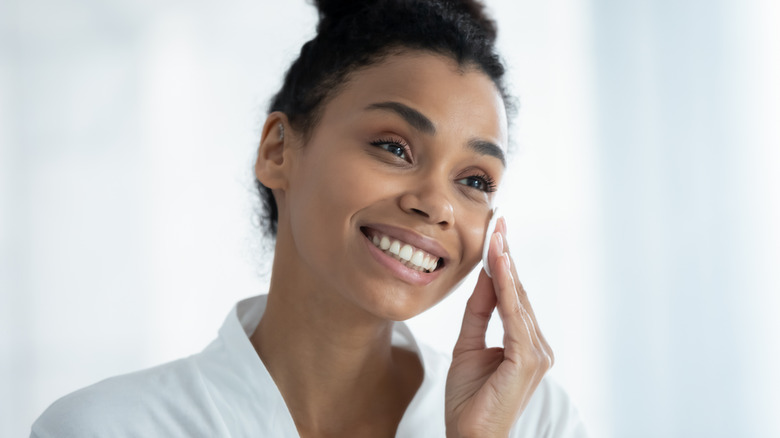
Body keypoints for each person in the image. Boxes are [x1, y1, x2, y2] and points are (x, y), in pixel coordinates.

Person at [31, 0, 588, 436]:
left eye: (474, 181)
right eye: (394, 147)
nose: (437, 204)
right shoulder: (104, 428)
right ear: (278, 150)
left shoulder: (532, 420)